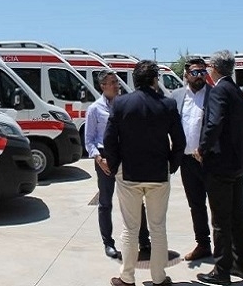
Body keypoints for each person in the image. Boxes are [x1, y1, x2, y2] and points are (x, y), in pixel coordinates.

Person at [104, 60, 186, 286]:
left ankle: (126, 278)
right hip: (158, 175)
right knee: (158, 228)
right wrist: (172, 164)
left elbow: (109, 139)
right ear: (154, 80)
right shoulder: (167, 104)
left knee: (130, 229)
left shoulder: (121, 104)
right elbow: (179, 141)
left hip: (129, 175)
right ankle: (159, 278)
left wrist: (115, 165)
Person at [195, 50, 243, 285]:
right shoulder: (235, 90)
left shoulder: (219, 90)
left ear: (215, 67)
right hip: (238, 163)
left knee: (221, 220)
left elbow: (214, 123)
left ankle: (221, 271)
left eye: (209, 65)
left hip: (220, 166)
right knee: (237, 217)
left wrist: (203, 149)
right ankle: (241, 265)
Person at [84, 69, 151, 260]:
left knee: (136, 200)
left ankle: (144, 240)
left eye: (117, 81)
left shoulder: (126, 104)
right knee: (106, 202)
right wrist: (99, 158)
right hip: (105, 157)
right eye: (112, 82)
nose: (116, 85)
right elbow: (89, 140)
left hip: (126, 156)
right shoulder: (95, 109)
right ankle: (108, 243)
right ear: (102, 86)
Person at [170, 57, 213, 261]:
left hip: (211, 161)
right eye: (195, 72)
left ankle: (225, 247)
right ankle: (203, 244)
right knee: (196, 205)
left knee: (218, 204)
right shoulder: (176, 97)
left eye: (203, 72)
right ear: (186, 75)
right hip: (186, 161)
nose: (200, 76)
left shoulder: (214, 96)